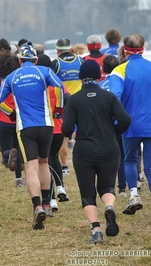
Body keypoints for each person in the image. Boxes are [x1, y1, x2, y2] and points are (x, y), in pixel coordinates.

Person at [0, 42, 64, 230]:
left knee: (30, 167)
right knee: (44, 163)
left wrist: (11, 113)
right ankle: (48, 203)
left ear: (19, 60)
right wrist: (58, 108)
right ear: (35, 59)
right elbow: (60, 87)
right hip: (47, 125)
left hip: (25, 127)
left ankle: (37, 207)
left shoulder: (12, 76)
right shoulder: (44, 71)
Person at [62, 59, 131, 244]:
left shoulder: (75, 99)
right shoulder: (109, 97)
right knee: (107, 187)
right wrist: (112, 132)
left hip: (84, 151)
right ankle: (109, 206)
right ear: (99, 76)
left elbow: (66, 129)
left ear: (81, 77)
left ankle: (97, 231)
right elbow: (125, 119)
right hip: (109, 148)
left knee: (87, 193)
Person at [109, 34, 151, 215]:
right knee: (150, 166)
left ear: (125, 50)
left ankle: (133, 195)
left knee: (130, 160)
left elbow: (114, 98)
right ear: (143, 48)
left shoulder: (119, 70)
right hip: (150, 123)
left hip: (129, 124)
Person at [37, 54, 70, 213]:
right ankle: (61, 187)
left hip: (44, 127)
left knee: (44, 162)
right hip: (59, 127)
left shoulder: (37, 83)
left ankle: (51, 200)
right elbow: (68, 98)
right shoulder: (57, 82)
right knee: (54, 157)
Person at [52, 38, 84, 175]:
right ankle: (83, 163)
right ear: (70, 48)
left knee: (63, 138)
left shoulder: (56, 63)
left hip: (64, 103)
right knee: (82, 135)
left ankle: (65, 167)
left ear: (57, 50)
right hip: (82, 102)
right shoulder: (81, 61)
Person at [0, 53, 25, 187]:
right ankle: (19, 179)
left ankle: (7, 154)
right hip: (18, 119)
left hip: (4, 120)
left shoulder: (0, 81)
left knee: (7, 150)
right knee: (18, 149)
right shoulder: (20, 79)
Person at [99, 55, 126, 196]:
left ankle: (109, 188)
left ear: (103, 68)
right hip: (120, 126)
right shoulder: (122, 83)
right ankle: (122, 188)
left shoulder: (100, 85)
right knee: (122, 156)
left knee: (106, 159)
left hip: (105, 128)